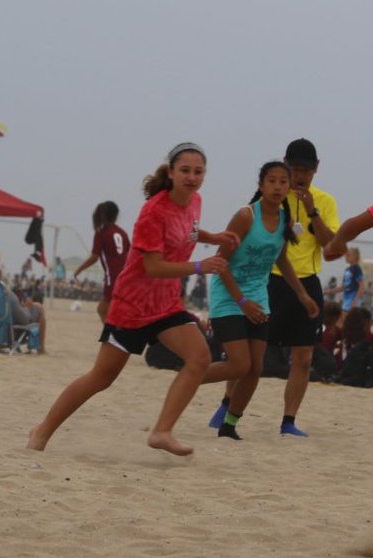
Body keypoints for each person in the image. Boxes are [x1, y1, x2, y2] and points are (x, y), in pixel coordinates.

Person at [26, 142, 239, 456]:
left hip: (166, 303)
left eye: (198, 171)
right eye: (185, 171)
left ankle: (162, 431)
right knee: (101, 377)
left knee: (199, 357)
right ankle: (41, 431)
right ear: (171, 172)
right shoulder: (153, 211)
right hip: (133, 305)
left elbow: (189, 231)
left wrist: (213, 237)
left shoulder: (195, 202)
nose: (192, 177)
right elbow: (152, 267)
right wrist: (199, 266)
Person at [209, 139, 340, 437]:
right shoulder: (271, 197)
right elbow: (246, 241)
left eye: (306, 169)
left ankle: (288, 421)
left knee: (304, 357)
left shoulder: (325, 201)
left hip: (306, 279)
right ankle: (227, 405)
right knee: (253, 356)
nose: (300, 175)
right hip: (268, 281)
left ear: (316, 168)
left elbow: (329, 244)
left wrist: (313, 211)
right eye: (295, 168)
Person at [74, 201, 131, 323]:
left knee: (104, 310)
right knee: (107, 310)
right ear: (116, 216)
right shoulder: (123, 233)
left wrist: (79, 269)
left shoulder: (102, 233)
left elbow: (95, 257)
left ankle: (112, 338)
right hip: (126, 276)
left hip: (113, 278)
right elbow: (131, 255)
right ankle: (113, 336)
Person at [323, 248, 364, 325]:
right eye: (346, 255)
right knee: (341, 322)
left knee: (344, 322)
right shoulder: (347, 270)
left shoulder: (357, 269)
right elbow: (343, 287)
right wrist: (329, 291)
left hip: (352, 301)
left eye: (348, 255)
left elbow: (361, 286)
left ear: (355, 256)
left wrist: (355, 300)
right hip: (346, 301)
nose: (346, 257)